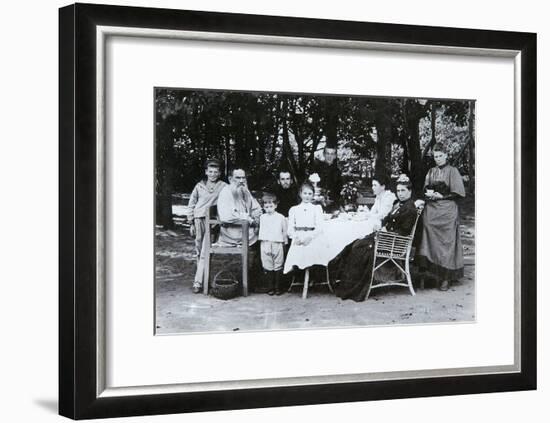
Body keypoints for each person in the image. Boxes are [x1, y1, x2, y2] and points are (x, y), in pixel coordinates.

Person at [330, 180, 419, 302]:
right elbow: (387, 219)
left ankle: (353, 287)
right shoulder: (399, 204)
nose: (400, 193)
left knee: (359, 249)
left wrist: (385, 232)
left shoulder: (410, 208)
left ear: (410, 191)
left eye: (403, 190)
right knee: (354, 244)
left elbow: (404, 231)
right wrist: (381, 226)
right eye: (398, 190)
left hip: (393, 243)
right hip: (385, 237)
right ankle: (344, 283)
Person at [193, 167, 262, 293]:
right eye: (238, 178)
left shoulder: (244, 191)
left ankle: (257, 280)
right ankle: (254, 282)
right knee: (264, 240)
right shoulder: (226, 192)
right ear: (230, 179)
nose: (241, 181)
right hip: (232, 233)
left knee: (269, 238)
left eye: (243, 177)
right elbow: (226, 217)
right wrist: (250, 220)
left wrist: (256, 217)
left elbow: (256, 207)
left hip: (245, 230)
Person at [416, 143, 466, 291]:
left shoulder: (453, 171)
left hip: (447, 209)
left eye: (440, 156)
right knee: (426, 230)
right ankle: (427, 273)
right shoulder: (431, 171)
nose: (437, 159)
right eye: (435, 156)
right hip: (432, 208)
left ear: (445, 155)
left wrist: (443, 195)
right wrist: (429, 193)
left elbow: (458, 193)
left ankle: (446, 276)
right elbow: (425, 187)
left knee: (446, 241)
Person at [187, 160, 227, 293]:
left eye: (216, 172)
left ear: (220, 173)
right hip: (198, 219)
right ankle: (205, 281)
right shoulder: (199, 186)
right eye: (210, 172)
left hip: (212, 222)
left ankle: (198, 283)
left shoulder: (223, 186)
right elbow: (192, 204)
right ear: (206, 172)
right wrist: (191, 222)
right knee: (200, 252)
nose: (213, 174)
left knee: (206, 251)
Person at [283, 183, 324, 274]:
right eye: (305, 193)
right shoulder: (294, 209)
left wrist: (310, 237)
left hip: (311, 237)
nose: (307, 196)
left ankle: (312, 278)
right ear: (300, 194)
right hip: (298, 237)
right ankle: (300, 276)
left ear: (313, 195)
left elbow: (320, 227)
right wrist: (295, 237)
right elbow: (290, 228)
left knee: (312, 254)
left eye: (310, 194)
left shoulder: (316, 209)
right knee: (297, 254)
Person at [258, 193, 288, 295]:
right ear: (263, 207)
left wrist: (285, 243)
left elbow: (284, 231)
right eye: (266, 207)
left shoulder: (281, 217)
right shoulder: (262, 217)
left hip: (277, 243)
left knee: (278, 264)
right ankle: (270, 287)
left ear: (275, 205)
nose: (269, 209)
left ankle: (278, 287)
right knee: (267, 264)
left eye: (271, 206)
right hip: (265, 243)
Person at [308, 146, 343, 211]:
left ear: (335, 156)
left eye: (332, 154)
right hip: (316, 203)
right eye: (327, 153)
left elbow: (339, 190)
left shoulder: (337, 171)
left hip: (332, 205)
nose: (329, 156)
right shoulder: (316, 168)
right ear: (324, 154)